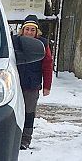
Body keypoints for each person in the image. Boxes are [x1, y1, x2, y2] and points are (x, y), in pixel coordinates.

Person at [16, 15, 53, 150]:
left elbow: (47, 65)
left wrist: (47, 86)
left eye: (32, 30)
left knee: (29, 112)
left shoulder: (43, 44)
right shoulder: (16, 42)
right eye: (27, 29)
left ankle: (25, 138)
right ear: (23, 30)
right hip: (16, 82)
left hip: (32, 84)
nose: (29, 32)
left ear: (37, 32)